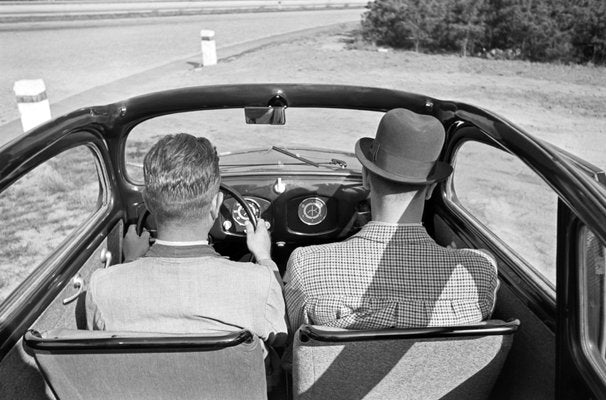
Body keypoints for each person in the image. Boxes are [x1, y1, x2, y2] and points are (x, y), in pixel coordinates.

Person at [284, 108, 499, 331]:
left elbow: (295, 339)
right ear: (431, 189)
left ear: (366, 178)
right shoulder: (479, 270)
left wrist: (264, 259)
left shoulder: (307, 264)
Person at [86, 133, 288, 354]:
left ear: (147, 203)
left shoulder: (102, 287)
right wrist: (264, 257)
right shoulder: (259, 283)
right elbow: (281, 337)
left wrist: (131, 260)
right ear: (216, 204)